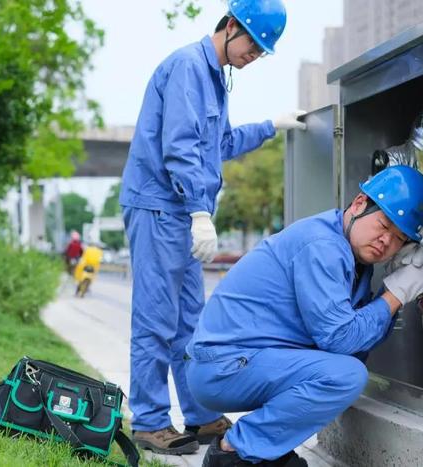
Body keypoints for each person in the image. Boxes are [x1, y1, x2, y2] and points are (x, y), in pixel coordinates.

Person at [118, 0, 288, 456]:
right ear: (231, 26)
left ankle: (197, 414)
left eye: (262, 51)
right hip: (160, 209)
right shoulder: (189, 67)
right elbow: (180, 148)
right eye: (254, 42)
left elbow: (223, 142)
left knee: (191, 326)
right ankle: (151, 422)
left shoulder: (215, 78)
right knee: (156, 320)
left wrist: (272, 127)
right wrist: (199, 211)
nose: (255, 55)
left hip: (182, 214)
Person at [185, 165, 423, 467]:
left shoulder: (353, 256)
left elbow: (357, 341)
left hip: (241, 361)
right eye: (383, 225)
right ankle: (234, 451)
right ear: (359, 203)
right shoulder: (323, 246)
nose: (386, 241)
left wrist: (390, 285)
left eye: (398, 239)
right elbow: (341, 340)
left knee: (345, 367)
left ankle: (265, 451)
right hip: (221, 367)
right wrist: (395, 293)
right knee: (346, 375)